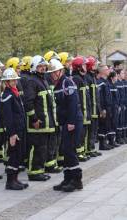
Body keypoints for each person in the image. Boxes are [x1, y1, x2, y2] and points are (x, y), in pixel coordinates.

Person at [48, 59, 83, 192]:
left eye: (54, 72)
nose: (52, 74)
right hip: (65, 122)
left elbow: (73, 103)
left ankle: (76, 180)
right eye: (51, 72)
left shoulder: (66, 82)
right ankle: (68, 178)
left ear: (60, 71)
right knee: (65, 151)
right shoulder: (58, 84)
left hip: (72, 121)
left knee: (69, 151)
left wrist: (71, 122)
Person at [24, 55, 55, 181]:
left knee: (43, 149)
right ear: (34, 67)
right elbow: (28, 102)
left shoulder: (43, 80)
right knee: (36, 148)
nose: (43, 68)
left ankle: (39, 171)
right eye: (40, 66)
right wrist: (34, 119)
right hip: (37, 123)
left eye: (44, 66)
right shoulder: (32, 81)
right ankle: (33, 172)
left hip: (46, 123)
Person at [0, 68, 28, 190]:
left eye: (15, 80)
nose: (14, 82)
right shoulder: (7, 95)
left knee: (19, 155)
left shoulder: (14, 92)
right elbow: (8, 117)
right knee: (14, 156)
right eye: (11, 81)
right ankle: (10, 182)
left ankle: (15, 179)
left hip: (19, 129)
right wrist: (12, 134)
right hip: (14, 131)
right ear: (6, 82)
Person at [72, 56, 92, 162]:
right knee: (79, 134)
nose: (86, 67)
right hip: (80, 112)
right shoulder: (76, 79)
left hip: (85, 111)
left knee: (84, 133)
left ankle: (82, 151)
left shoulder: (82, 78)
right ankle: (78, 153)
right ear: (79, 67)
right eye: (84, 65)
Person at [97, 64, 113, 150]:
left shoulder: (106, 81)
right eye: (107, 69)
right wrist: (102, 109)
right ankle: (102, 144)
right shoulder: (100, 82)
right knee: (102, 125)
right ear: (102, 71)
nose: (109, 71)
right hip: (104, 108)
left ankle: (105, 142)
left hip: (108, 107)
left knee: (106, 125)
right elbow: (100, 97)